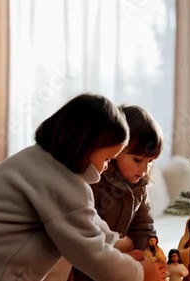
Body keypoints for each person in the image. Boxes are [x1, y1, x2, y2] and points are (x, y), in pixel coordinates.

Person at [0, 94, 166, 281]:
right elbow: (88, 252)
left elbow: (84, 221)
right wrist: (139, 273)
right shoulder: (64, 182)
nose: (105, 168)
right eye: (106, 159)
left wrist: (116, 243)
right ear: (85, 146)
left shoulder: (32, 159)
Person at [51, 104, 165, 280]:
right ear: (116, 150)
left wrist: (147, 252)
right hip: (85, 264)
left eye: (150, 162)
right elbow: (85, 233)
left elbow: (143, 226)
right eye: (137, 160)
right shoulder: (93, 181)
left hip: (114, 261)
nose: (144, 169)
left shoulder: (140, 187)